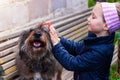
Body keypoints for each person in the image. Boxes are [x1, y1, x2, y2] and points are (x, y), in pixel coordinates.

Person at [49, 2, 120, 80]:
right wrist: (59, 40)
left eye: (93, 17)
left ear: (106, 26)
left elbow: (72, 63)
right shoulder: (96, 40)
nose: (88, 19)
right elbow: (77, 48)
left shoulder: (99, 51)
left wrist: (56, 45)